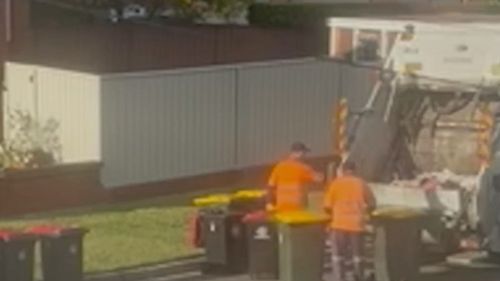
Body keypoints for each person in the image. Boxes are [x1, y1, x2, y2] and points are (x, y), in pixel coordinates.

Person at [324, 161, 376, 281]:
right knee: (358, 256)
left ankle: (339, 278)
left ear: (342, 170)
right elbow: (372, 204)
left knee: (338, 256)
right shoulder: (361, 184)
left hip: (338, 225)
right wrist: (366, 213)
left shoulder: (335, 184)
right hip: (356, 225)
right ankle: (358, 277)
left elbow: (327, 206)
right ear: (355, 170)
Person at [267, 142, 323, 212]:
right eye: (304, 153)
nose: (305, 156)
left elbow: (270, 186)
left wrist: (269, 203)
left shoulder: (279, 166)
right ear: (300, 153)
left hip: (282, 207)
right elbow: (319, 179)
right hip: (297, 207)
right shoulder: (303, 168)